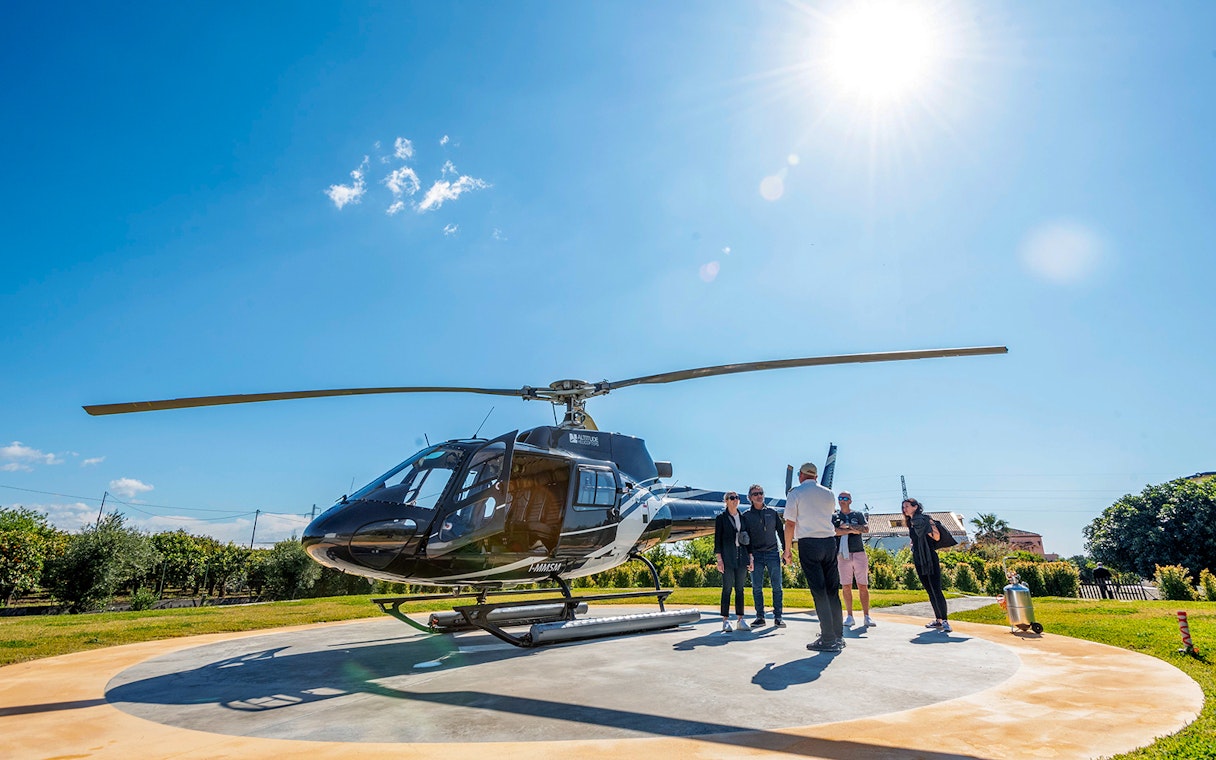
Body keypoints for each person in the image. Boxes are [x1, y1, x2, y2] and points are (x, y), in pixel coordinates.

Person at [783, 461, 844, 652]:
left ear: (801, 475)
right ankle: (837, 635)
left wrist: (787, 550)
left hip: (809, 543)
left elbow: (790, 524)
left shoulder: (796, 493)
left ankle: (827, 639)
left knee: (819, 591)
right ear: (816, 476)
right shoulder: (829, 493)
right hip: (829, 542)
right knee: (832, 591)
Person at [903, 497, 950, 633]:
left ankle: (945, 620)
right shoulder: (911, 523)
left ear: (915, 507)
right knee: (930, 590)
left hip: (929, 557)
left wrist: (932, 526)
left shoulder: (922, 520)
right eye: (903, 507)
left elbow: (936, 537)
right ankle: (938, 620)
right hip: (918, 557)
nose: (904, 509)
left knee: (936, 589)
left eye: (907, 506)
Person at [742, 484, 786, 628]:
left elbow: (781, 532)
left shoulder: (772, 513)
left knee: (777, 586)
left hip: (773, 553)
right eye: (755, 494)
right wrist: (748, 556)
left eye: (761, 493)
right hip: (756, 555)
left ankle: (778, 617)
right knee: (756, 587)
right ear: (750, 498)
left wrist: (786, 550)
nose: (759, 496)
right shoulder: (746, 516)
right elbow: (744, 538)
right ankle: (760, 617)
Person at [833, 491, 873, 627]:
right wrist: (852, 531)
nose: (842, 500)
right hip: (842, 554)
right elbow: (834, 531)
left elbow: (865, 529)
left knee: (863, 585)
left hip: (858, 552)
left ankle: (867, 616)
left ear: (850, 500)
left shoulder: (858, 515)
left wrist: (849, 527)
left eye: (845, 498)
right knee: (846, 586)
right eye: (840, 498)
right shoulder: (835, 516)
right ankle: (849, 616)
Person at [714, 491, 750, 632]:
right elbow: (717, 540)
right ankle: (725, 620)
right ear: (726, 501)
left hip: (741, 556)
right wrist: (719, 559)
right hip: (727, 557)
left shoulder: (743, 518)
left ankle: (740, 619)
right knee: (727, 588)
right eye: (732, 498)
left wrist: (750, 557)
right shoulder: (721, 518)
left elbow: (748, 539)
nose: (735, 500)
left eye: (737, 498)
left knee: (740, 589)